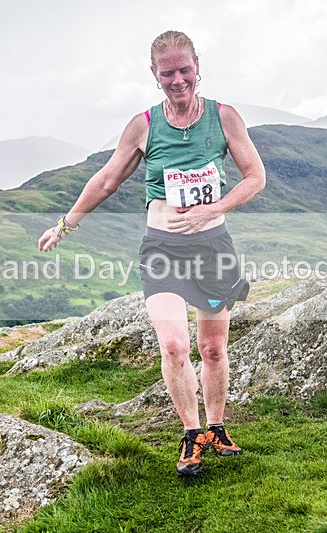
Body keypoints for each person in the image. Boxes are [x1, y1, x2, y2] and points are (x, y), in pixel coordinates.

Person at [39, 31, 265, 476]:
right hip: (161, 247)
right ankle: (191, 434)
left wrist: (213, 209)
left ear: (198, 67)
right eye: (168, 73)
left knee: (213, 348)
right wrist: (65, 224)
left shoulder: (224, 117)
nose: (178, 80)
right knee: (176, 345)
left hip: (213, 246)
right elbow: (107, 180)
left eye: (185, 70)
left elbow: (255, 177)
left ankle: (217, 427)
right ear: (154, 75)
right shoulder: (143, 125)